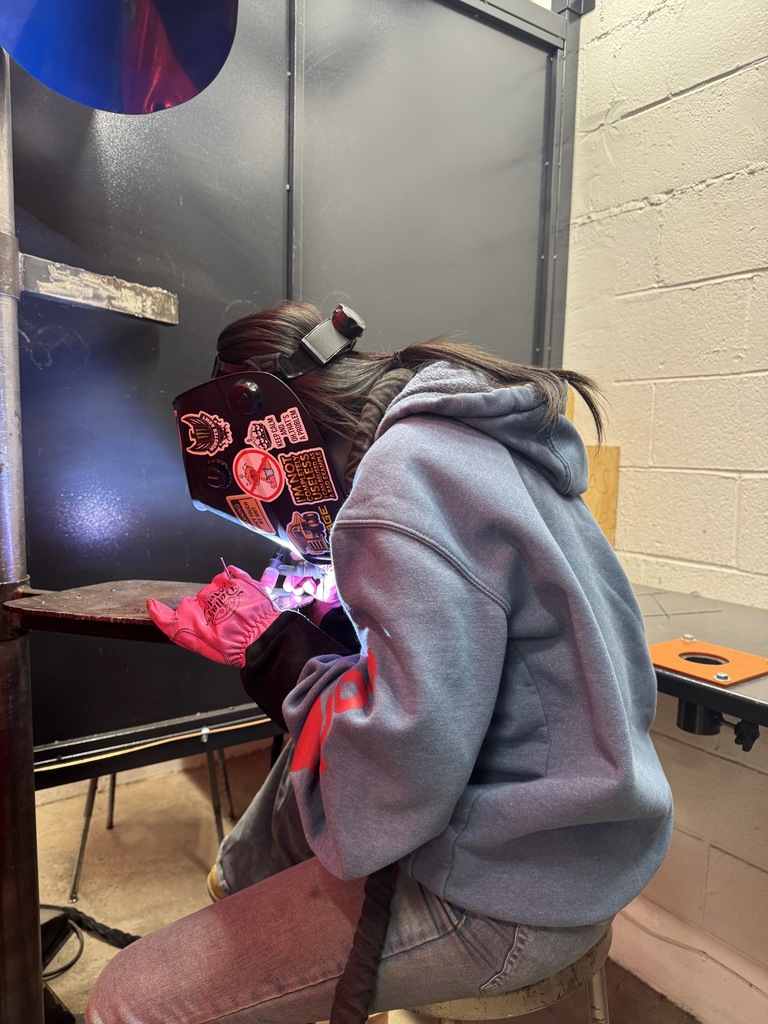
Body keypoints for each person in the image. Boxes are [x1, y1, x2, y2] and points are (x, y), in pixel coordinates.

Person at [85, 299, 673, 1024]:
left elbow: (394, 784)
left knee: (126, 999)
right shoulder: (459, 435)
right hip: (581, 841)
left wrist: (271, 645)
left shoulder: (398, 485)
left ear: (279, 436)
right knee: (250, 855)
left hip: (510, 884)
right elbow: (459, 677)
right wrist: (324, 627)